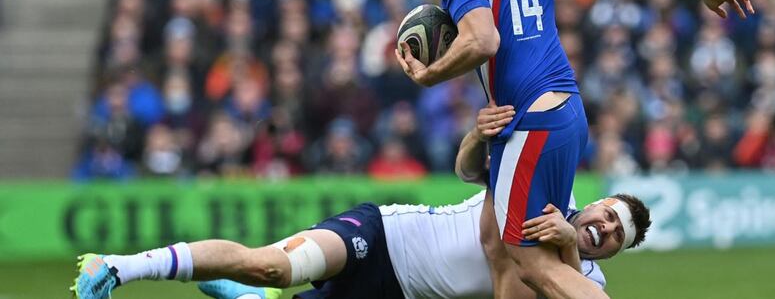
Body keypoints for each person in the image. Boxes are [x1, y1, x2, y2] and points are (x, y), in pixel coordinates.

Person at [395, 0, 751, 299]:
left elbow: (482, 41)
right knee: (503, 248)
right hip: (566, 114)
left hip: (530, 120)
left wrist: (429, 75)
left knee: (533, 264)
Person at [70, 105, 651, 299]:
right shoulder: (547, 189)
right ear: (596, 201)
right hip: (386, 236)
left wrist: (570, 251)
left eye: (615, 235)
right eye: (609, 214)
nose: (605, 227)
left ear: (615, 254)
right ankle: (117, 267)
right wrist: (479, 133)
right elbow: (470, 173)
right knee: (275, 264)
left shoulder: (586, 286)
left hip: (403, 294)